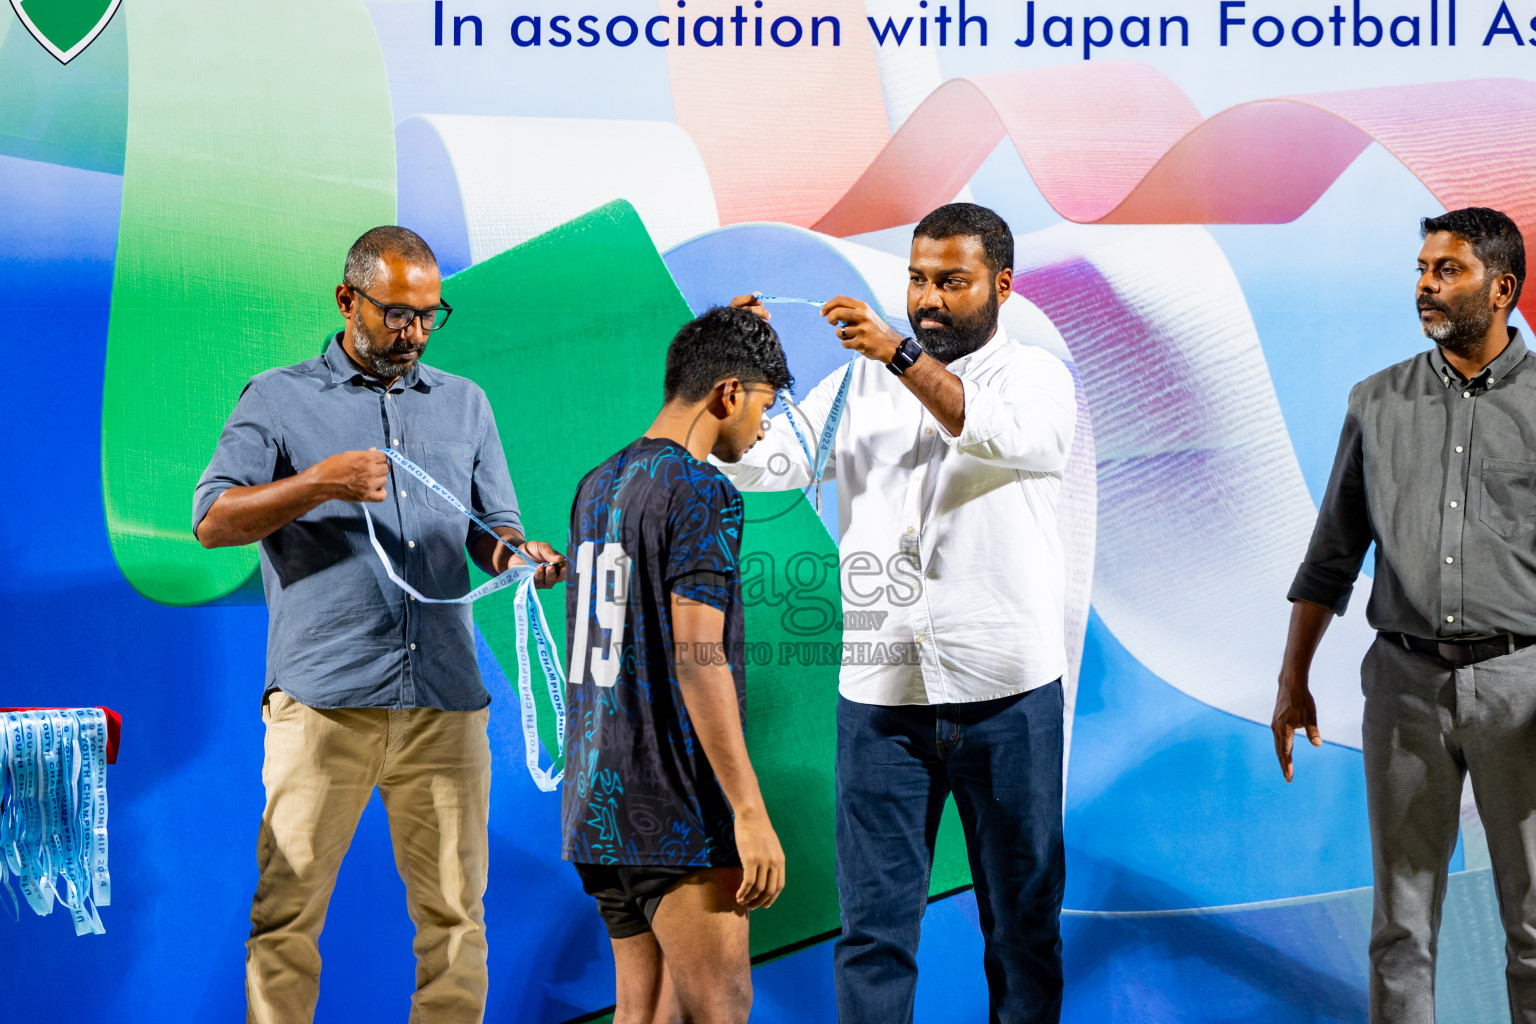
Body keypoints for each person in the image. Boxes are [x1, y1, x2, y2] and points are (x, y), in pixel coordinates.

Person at [193, 225, 566, 1024]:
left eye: (431, 315)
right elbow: (215, 520)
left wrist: (515, 556)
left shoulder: (466, 402)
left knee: (456, 923)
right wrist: (320, 482)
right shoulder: (276, 397)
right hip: (323, 703)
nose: (416, 333)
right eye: (397, 314)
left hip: (444, 704)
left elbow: (489, 528)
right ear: (346, 299)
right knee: (285, 917)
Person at [727, 202, 1077, 1024]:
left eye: (951, 282)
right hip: (882, 704)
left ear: (1002, 285)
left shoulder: (1037, 377)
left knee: (1023, 932)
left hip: (1009, 698)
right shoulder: (854, 383)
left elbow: (991, 432)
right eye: (917, 279)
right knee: (874, 936)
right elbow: (767, 465)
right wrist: (734, 378)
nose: (927, 297)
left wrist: (901, 354)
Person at [1275, 207, 1536, 1023]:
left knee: (1533, 927)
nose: (1425, 286)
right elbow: (1331, 555)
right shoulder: (1375, 402)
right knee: (1401, 928)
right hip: (1403, 686)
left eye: (1447, 271)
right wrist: (1294, 678)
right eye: (1422, 269)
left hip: (1523, 685)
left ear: (1502, 289)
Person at [562, 305, 790, 1024]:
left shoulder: (596, 486)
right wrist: (748, 811)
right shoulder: (701, 490)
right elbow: (698, 659)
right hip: (675, 812)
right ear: (728, 393)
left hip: (598, 809)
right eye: (765, 406)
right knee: (719, 1010)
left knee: (649, 1015)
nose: (763, 428)